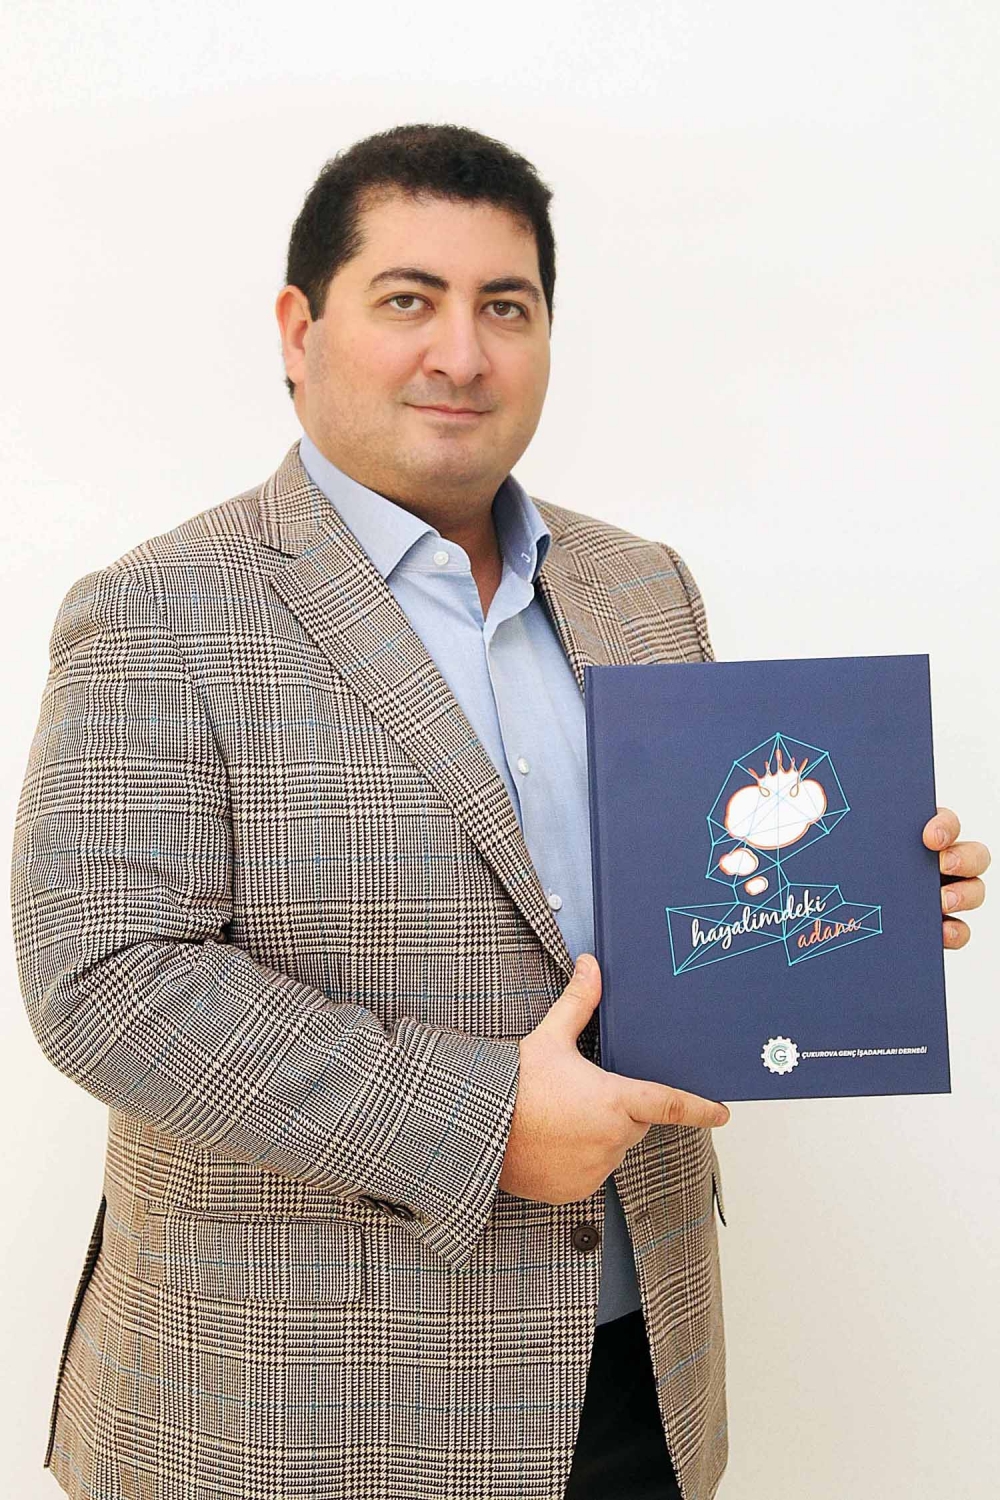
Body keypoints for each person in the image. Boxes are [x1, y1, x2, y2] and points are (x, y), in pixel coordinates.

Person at [10, 123, 989, 1500]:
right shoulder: (161, 610)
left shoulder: (641, 587)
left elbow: (696, 890)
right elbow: (104, 980)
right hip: (300, 1410)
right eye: (408, 299)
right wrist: (479, 1119)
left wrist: (858, 898)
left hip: (637, 1368)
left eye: (506, 307)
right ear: (299, 330)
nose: (462, 354)